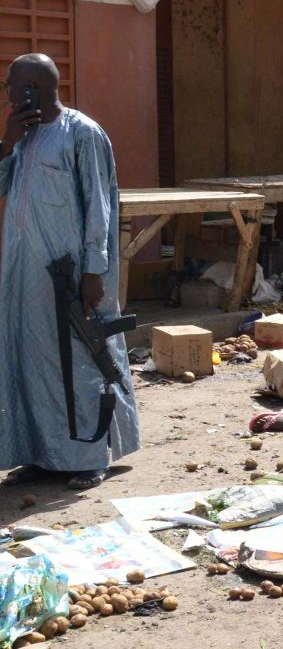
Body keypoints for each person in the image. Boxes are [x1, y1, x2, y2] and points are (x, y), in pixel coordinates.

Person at [0, 53, 139, 490]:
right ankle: (43, 453)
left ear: (37, 89)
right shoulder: (21, 136)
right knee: (32, 360)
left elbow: (98, 207)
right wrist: (7, 141)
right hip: (24, 274)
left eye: (14, 87)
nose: (9, 94)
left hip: (72, 275)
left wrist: (94, 271)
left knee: (81, 360)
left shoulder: (82, 133)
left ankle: (89, 454)